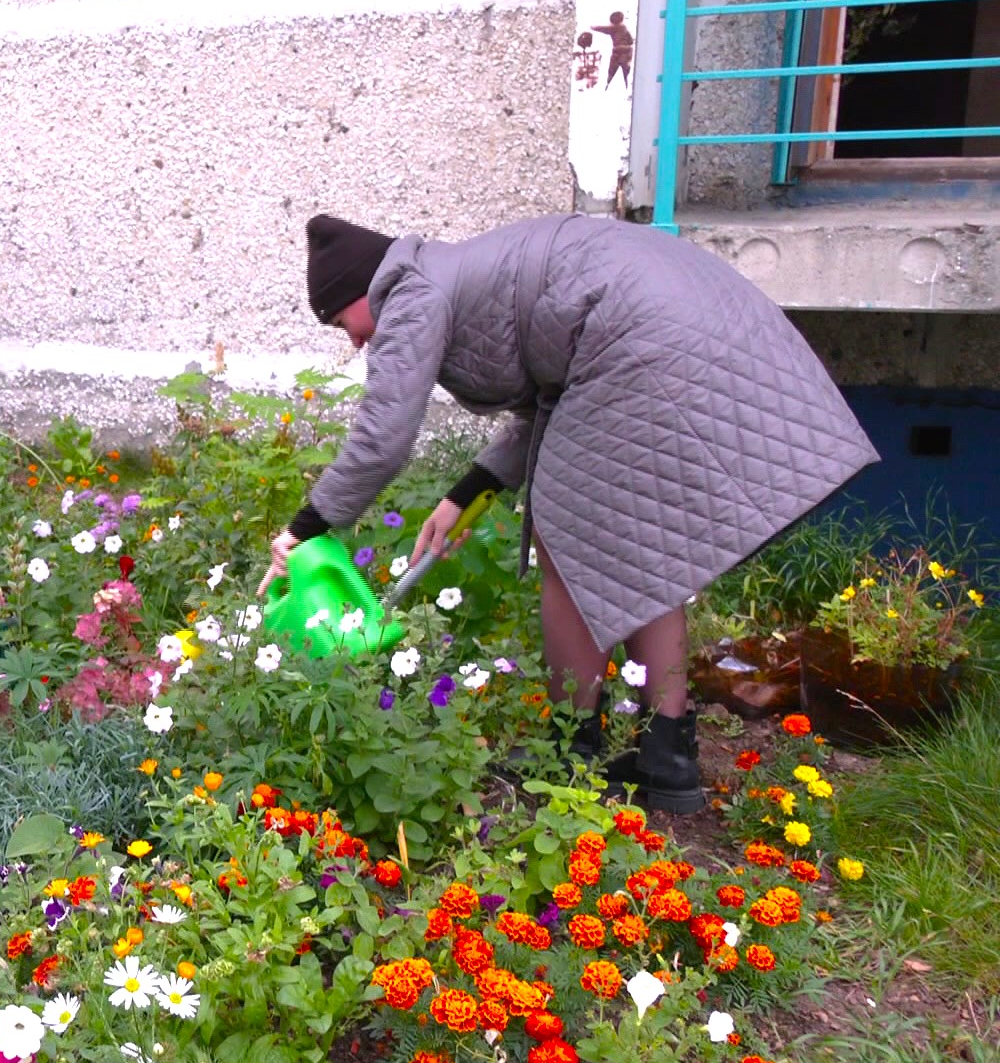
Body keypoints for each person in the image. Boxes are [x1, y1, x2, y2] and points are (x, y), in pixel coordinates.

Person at [260, 213, 879, 813]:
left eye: (345, 321)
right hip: (676, 324)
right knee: (644, 545)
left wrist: (305, 527)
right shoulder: (443, 275)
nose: (355, 339)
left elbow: (383, 435)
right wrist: (464, 495)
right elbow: (548, 402)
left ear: (367, 289)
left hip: (640, 342)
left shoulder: (409, 295)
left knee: (567, 532)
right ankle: (668, 757)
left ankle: (569, 747)